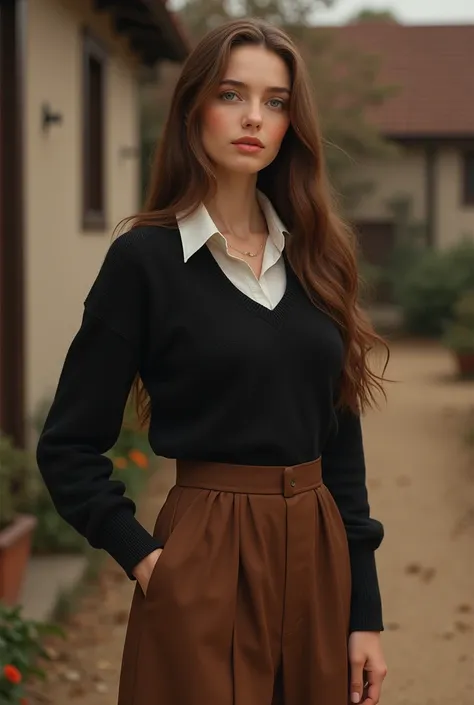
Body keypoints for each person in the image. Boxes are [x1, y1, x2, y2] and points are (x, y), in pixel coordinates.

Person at [36, 16, 389, 705]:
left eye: (276, 101)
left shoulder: (321, 257)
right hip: (203, 555)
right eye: (232, 94)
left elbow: (341, 444)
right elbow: (68, 445)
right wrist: (148, 559)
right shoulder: (144, 262)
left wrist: (365, 614)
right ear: (194, 105)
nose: (254, 117)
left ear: (292, 122)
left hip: (319, 556)